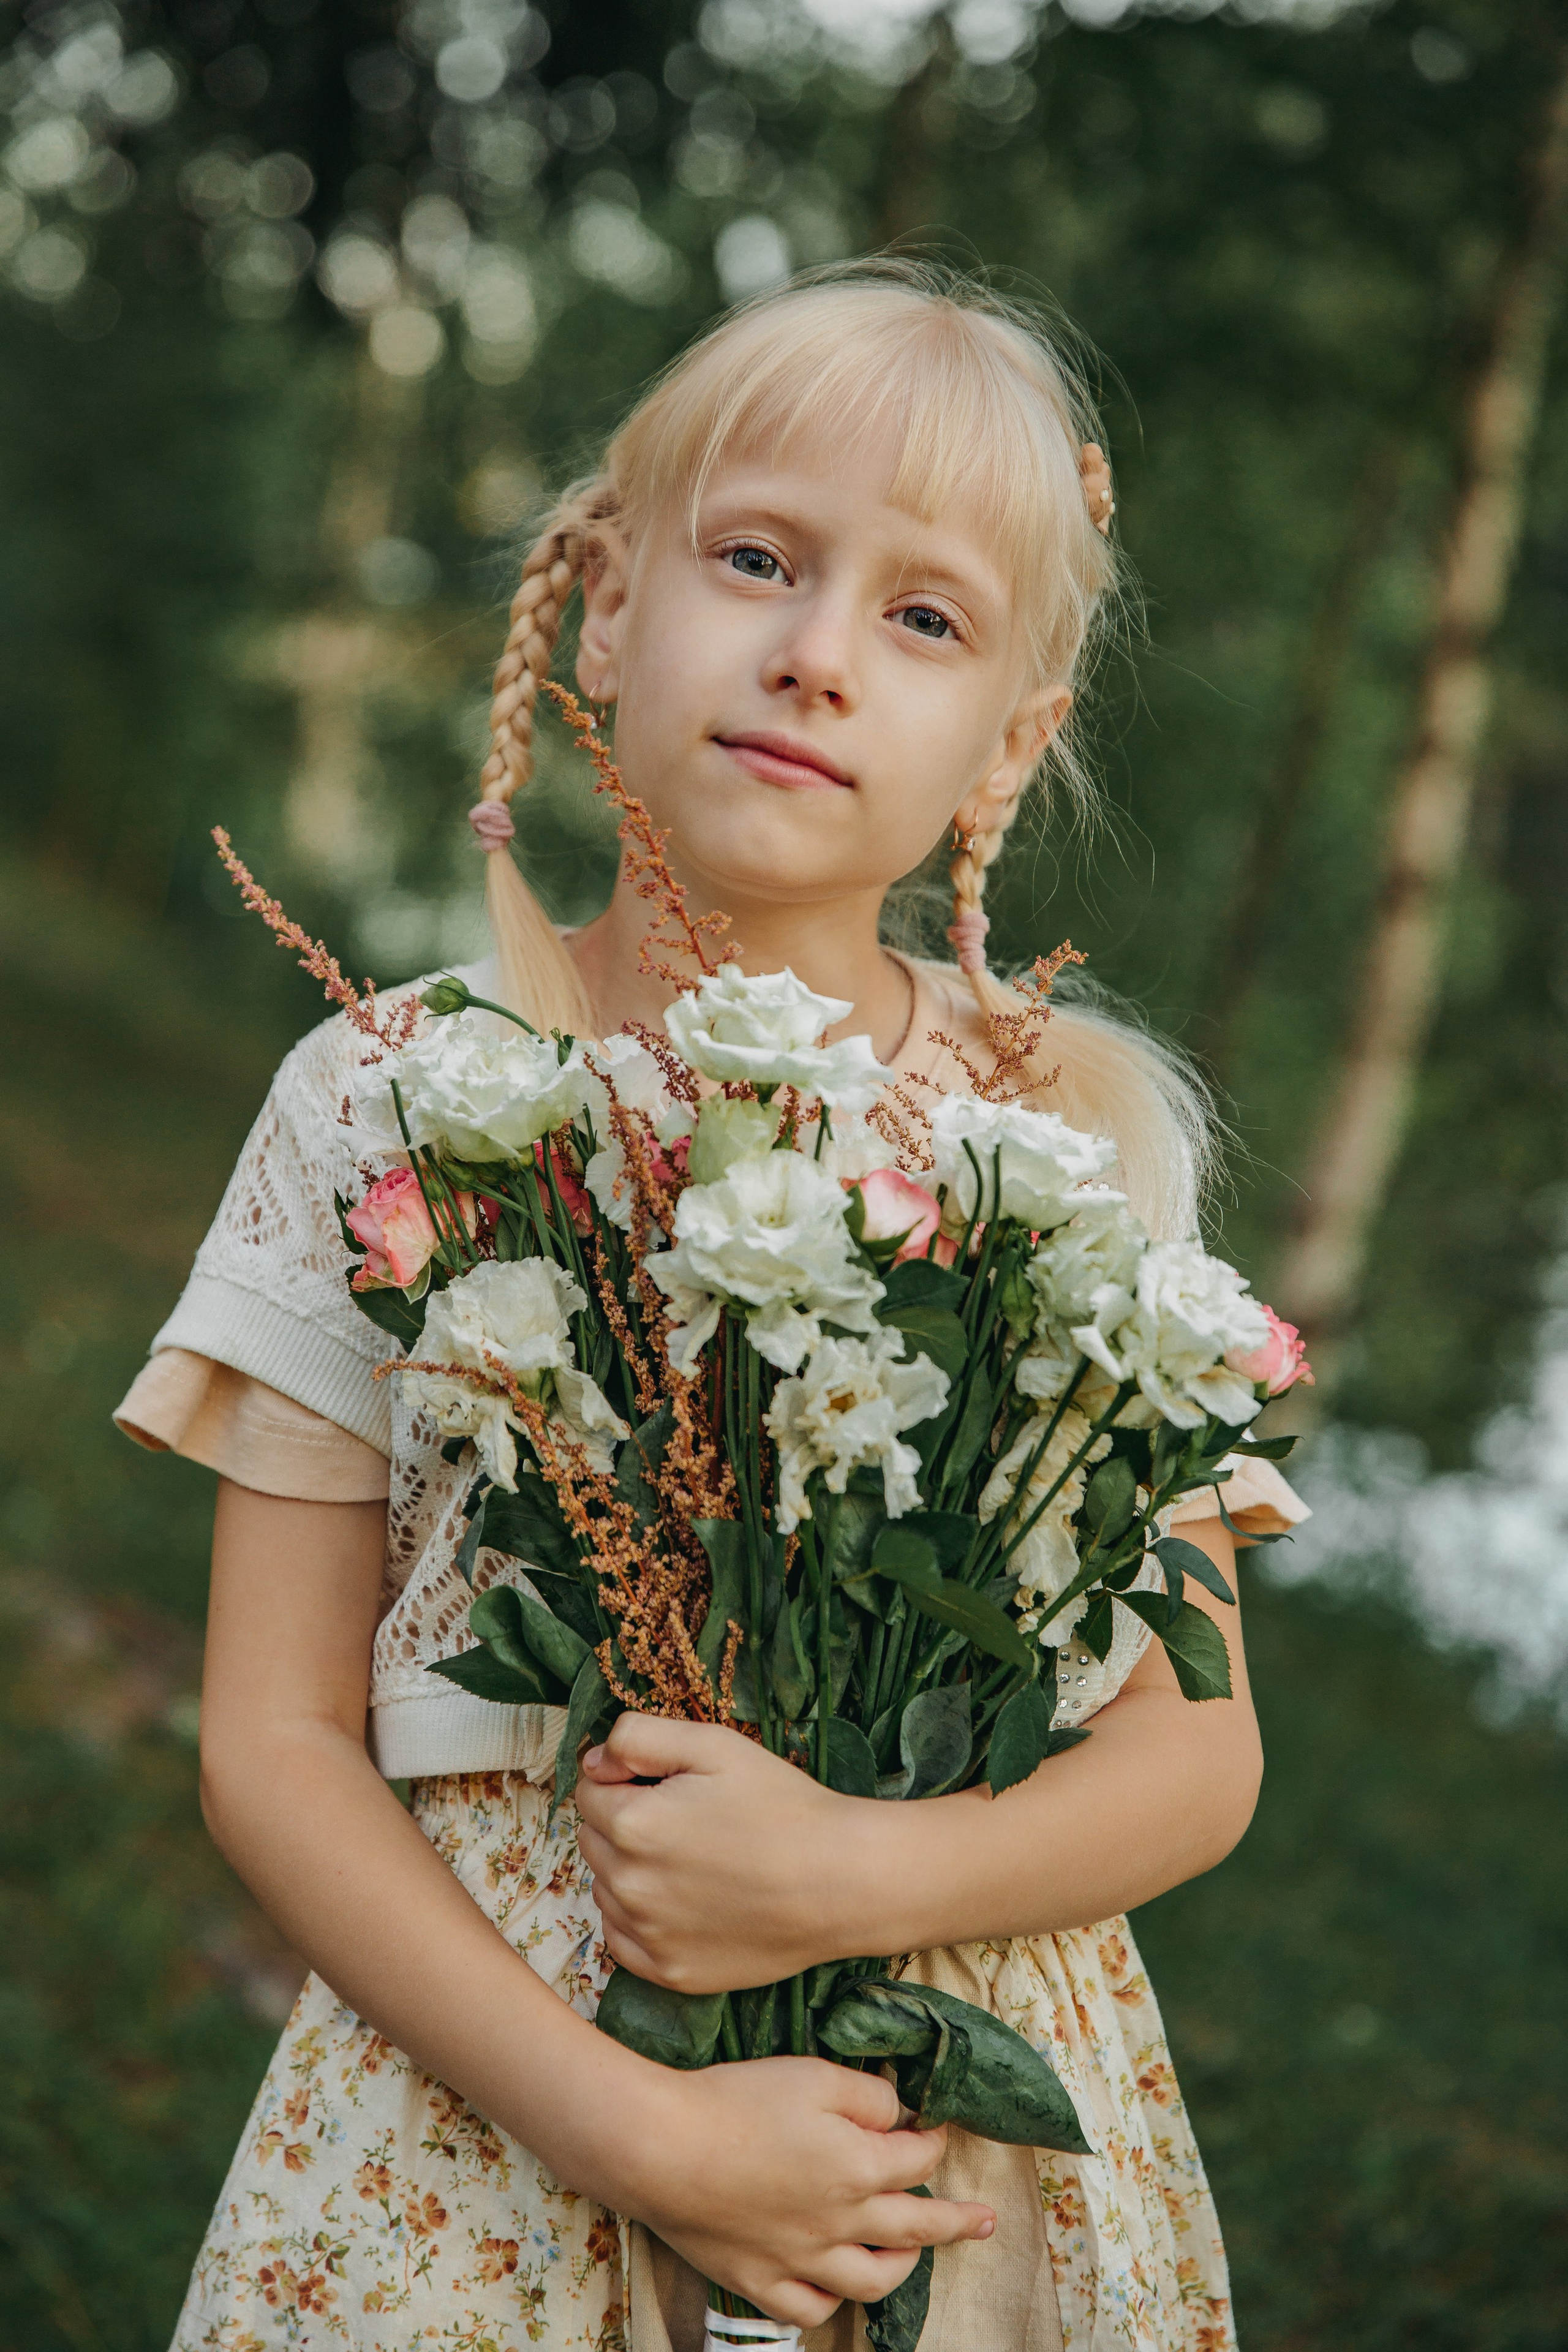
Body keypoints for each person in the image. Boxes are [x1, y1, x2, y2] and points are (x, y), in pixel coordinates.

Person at [118, 260, 1305, 2352]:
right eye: (756, 559)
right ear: (605, 609)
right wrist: (638, 2129)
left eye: (923, 618)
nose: (815, 654)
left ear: (1010, 743)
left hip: (930, 2160)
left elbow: (1193, 1755)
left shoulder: (1063, 1142)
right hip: (492, 2119)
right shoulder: (390, 1100)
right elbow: (272, 1739)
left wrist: (850, 1878)